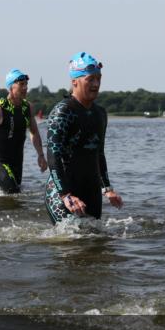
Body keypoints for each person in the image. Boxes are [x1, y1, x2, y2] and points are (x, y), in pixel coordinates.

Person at [44, 52, 122, 223]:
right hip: (62, 191)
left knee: (95, 238)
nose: (96, 84)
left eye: (98, 78)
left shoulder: (100, 113)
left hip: (91, 189)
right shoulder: (63, 111)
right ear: (75, 81)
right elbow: (53, 155)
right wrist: (65, 194)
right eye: (90, 79)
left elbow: (99, 153)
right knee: (70, 237)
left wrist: (107, 188)